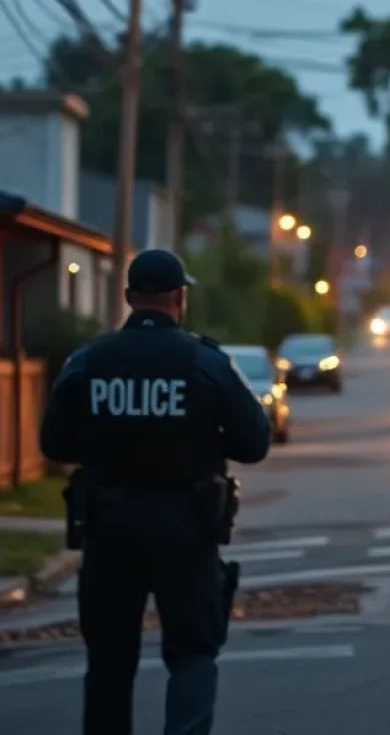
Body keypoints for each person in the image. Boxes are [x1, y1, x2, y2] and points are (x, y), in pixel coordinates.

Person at [40, 248, 272, 735]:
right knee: (192, 652)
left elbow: (53, 443)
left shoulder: (89, 361)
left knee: (108, 660)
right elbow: (254, 442)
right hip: (187, 529)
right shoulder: (206, 362)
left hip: (108, 528)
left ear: (128, 298)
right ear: (180, 299)